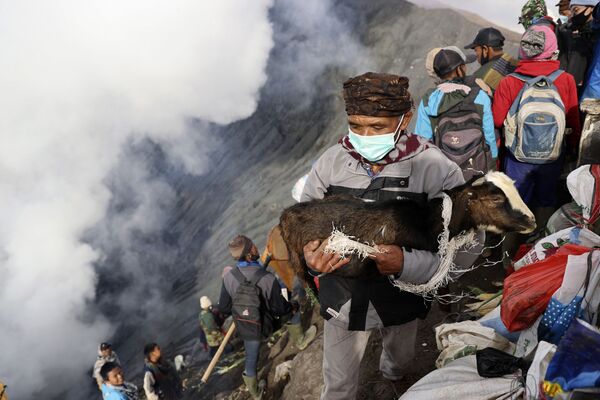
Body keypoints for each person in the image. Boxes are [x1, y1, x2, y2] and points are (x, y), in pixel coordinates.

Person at [299, 72, 484, 400]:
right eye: (356, 126)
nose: (364, 136)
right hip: (342, 298)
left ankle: (392, 374)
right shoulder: (330, 164)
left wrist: (408, 263)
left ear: (405, 119)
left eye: (377, 127)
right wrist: (311, 257)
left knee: (401, 356)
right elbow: (306, 224)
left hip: (402, 298)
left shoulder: (434, 169)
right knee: (338, 384)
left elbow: (468, 243)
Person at [493, 25, 581, 261]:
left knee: (516, 199)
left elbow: (498, 119)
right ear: (552, 49)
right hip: (553, 154)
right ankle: (539, 253)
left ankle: (508, 256)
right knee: (546, 199)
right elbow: (573, 119)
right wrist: (571, 148)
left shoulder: (509, 82)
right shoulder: (566, 80)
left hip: (516, 157)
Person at [218, 235, 295, 400]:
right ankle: (301, 339)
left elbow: (224, 308)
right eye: (252, 246)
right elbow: (280, 309)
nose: (256, 248)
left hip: (246, 327)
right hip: (266, 326)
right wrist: (291, 306)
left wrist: (242, 309)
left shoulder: (229, 277)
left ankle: (255, 392)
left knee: (251, 358)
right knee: (292, 310)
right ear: (248, 255)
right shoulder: (267, 278)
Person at [415, 48, 497, 179]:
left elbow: (423, 142)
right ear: (461, 68)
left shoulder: (429, 100)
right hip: (477, 171)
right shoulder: (479, 96)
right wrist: (492, 166)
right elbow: (489, 137)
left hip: (445, 175)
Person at [557, 0, 600, 94]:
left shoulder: (595, 36)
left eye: (576, 10)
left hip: (591, 95)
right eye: (571, 11)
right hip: (573, 93)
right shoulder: (576, 34)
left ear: (591, 9)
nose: (572, 16)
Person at [464, 27, 518, 93]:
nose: (476, 55)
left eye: (476, 50)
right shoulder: (514, 63)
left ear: (485, 49)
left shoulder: (480, 76)